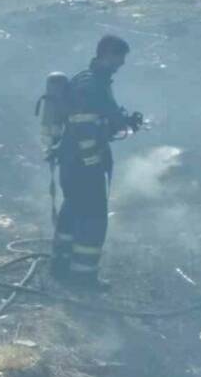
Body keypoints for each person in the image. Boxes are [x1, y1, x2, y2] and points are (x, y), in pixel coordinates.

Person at [52, 35, 143, 289]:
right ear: (106, 54)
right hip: (84, 164)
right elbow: (84, 126)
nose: (121, 63)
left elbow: (99, 120)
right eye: (119, 57)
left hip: (72, 163)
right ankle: (83, 276)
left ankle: (61, 266)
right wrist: (92, 161)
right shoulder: (92, 85)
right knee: (93, 218)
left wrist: (124, 123)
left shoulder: (88, 80)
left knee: (72, 211)